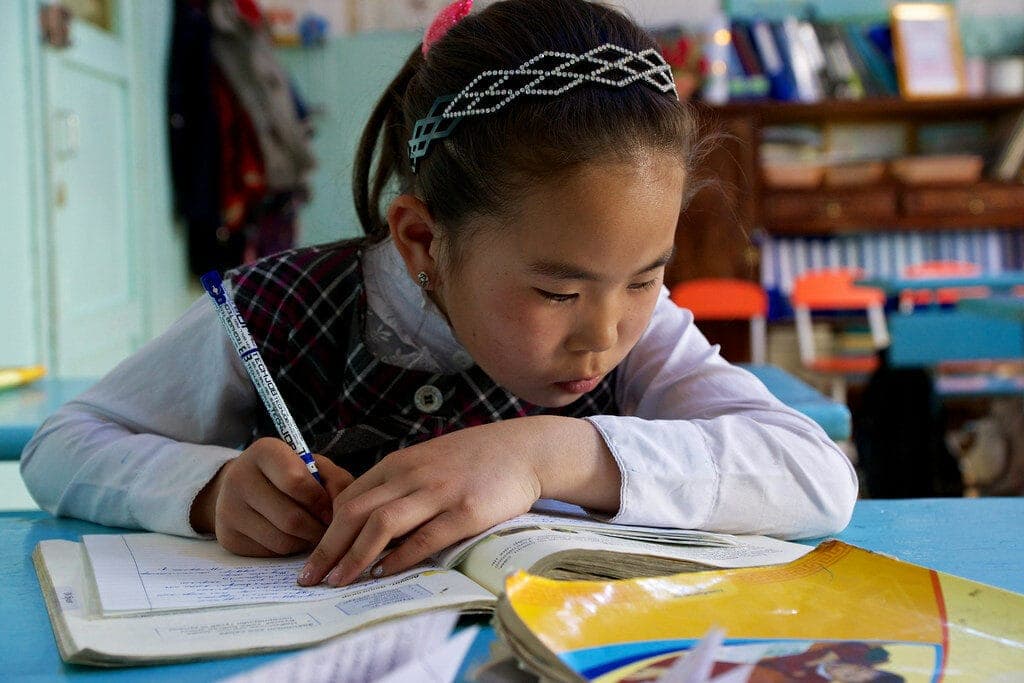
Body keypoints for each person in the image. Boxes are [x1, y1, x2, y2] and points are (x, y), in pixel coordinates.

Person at [21, 0, 857, 589]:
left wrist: (543, 452)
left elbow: (819, 476)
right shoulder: (269, 309)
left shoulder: (642, 330)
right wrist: (207, 492)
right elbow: (60, 446)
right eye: (557, 290)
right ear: (422, 237)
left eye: (648, 275)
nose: (605, 333)